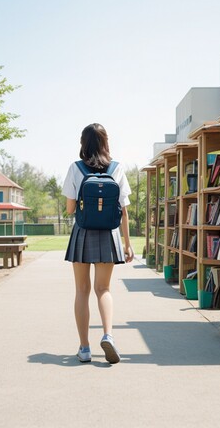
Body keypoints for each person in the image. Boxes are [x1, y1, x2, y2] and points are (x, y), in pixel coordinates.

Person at [62, 123, 134, 364]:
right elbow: (123, 211)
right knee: (103, 289)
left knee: (82, 290)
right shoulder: (117, 168)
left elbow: (70, 208)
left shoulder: (75, 168)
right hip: (109, 234)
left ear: (83, 143)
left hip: (83, 232)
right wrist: (128, 244)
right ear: (105, 142)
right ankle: (109, 335)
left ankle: (84, 348)